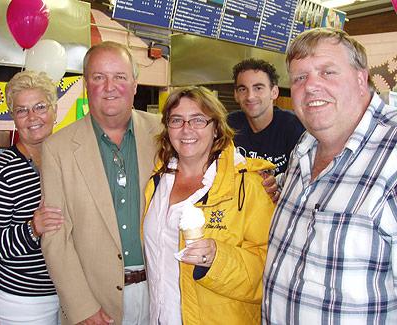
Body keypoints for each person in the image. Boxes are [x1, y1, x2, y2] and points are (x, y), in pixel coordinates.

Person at [263, 28, 397, 323]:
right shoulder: (305, 147)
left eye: (327, 72)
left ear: (361, 79)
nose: (311, 87)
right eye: (300, 78)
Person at [40, 41, 162, 325]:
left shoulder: (164, 132)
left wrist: (257, 177)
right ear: (86, 85)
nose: (110, 86)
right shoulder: (58, 148)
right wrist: (82, 306)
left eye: (119, 77)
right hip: (95, 301)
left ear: (134, 84)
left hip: (160, 292)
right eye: (98, 77)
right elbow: (56, 237)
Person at [143, 86, 275, 324]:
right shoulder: (156, 181)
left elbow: (272, 269)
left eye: (198, 120)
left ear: (216, 128)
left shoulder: (248, 185)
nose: (186, 129)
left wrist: (218, 258)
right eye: (177, 120)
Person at [0, 71, 64, 324]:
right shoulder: (4, 169)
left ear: (55, 111)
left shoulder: (66, 159)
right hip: (24, 301)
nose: (32, 117)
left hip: (68, 292)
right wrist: (32, 228)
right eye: (22, 110)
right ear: (13, 117)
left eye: (39, 107)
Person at [228, 58, 305, 176]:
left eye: (258, 88)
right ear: (236, 95)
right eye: (243, 89)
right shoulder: (228, 126)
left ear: (274, 92)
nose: (250, 96)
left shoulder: (294, 127)